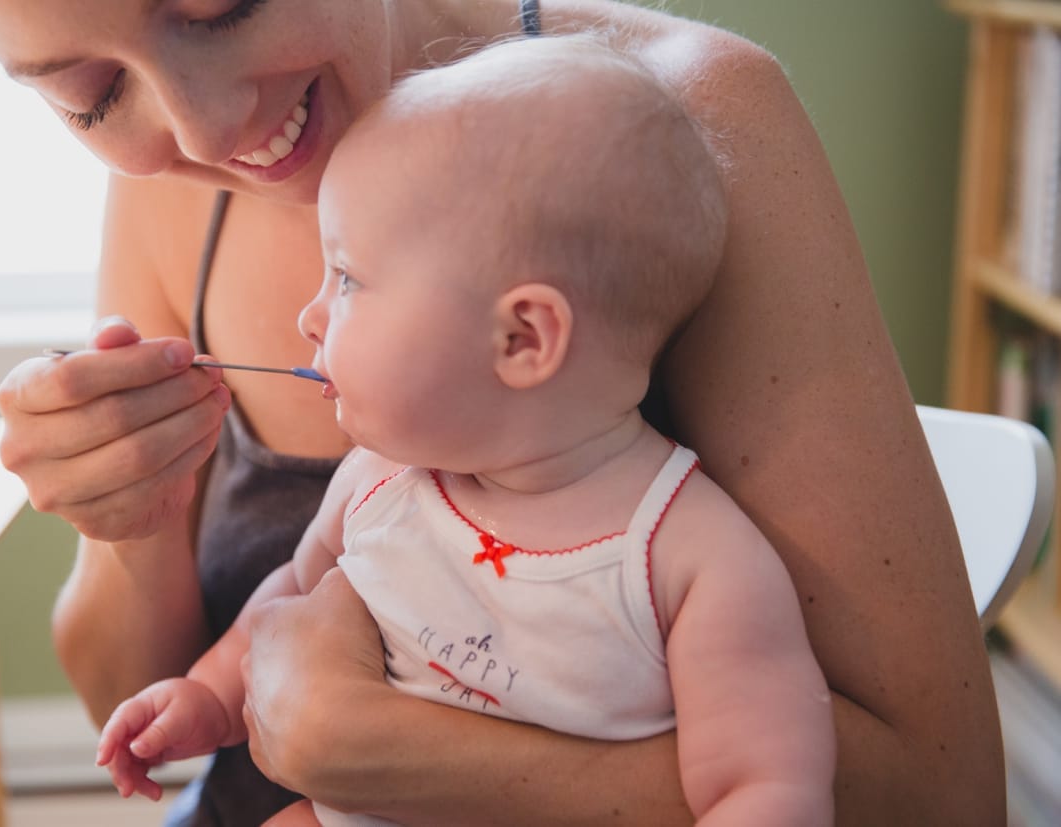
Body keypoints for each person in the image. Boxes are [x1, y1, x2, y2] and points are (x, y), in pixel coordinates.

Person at [0, 0, 1003, 822]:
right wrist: (131, 527)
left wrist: (374, 745)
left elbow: (939, 802)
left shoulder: (680, 137)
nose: (203, 125)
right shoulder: (168, 188)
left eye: (224, 6)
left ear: (530, 335)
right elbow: (134, 716)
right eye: (87, 94)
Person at [95, 34, 836, 827]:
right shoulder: (378, 480)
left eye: (348, 279)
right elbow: (287, 605)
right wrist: (209, 696)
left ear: (522, 338)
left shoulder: (691, 559)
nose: (310, 316)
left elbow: (760, 789)